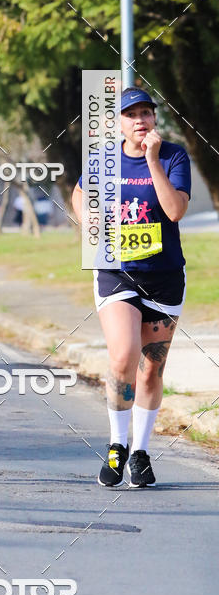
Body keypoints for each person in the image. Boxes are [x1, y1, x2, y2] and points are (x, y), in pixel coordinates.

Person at [72, 87, 191, 488]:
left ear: (155, 119)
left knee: (152, 367)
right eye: (131, 114)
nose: (140, 120)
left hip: (165, 275)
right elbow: (78, 192)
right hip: (117, 272)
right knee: (124, 356)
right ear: (118, 123)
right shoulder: (104, 160)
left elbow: (174, 210)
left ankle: (140, 451)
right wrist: (87, 217)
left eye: (146, 112)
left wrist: (153, 160)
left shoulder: (173, 156)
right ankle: (116, 445)